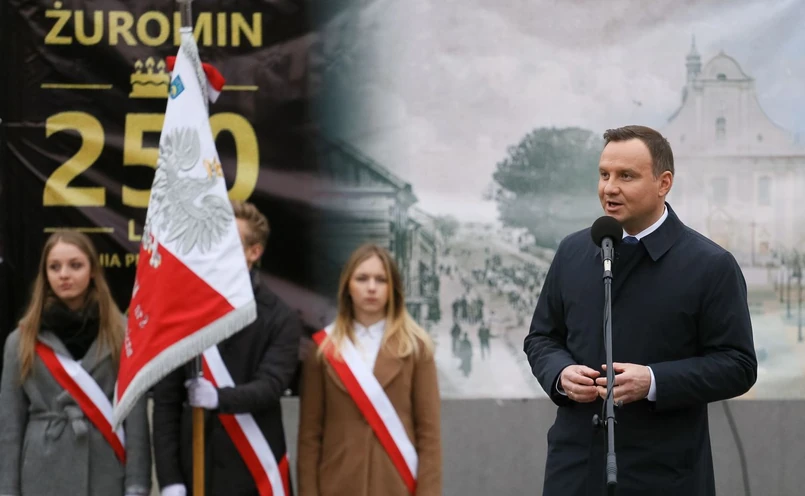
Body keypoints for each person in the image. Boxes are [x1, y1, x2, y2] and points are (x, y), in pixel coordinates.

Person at [523, 125, 757, 496]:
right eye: (604, 175)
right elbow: (541, 338)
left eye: (626, 176)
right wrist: (561, 374)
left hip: (665, 475)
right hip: (575, 470)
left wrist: (653, 381)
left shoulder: (710, 265)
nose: (609, 188)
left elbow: (738, 365)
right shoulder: (572, 251)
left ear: (664, 183)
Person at [153, 201, 303, 496]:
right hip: (197, 471)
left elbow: (271, 386)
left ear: (253, 252)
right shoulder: (184, 312)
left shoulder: (280, 317)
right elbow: (166, 402)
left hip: (255, 473)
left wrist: (218, 398)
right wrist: (170, 479)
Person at [0, 230, 152, 496]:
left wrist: (137, 485)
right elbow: (10, 426)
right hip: (41, 474)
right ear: (45, 274)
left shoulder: (123, 335)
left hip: (105, 472)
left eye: (75, 265)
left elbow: (136, 419)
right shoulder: (21, 340)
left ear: (92, 270)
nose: (64, 274)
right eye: (54, 267)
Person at [297, 243, 442, 496]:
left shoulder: (416, 347)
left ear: (393, 288)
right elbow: (310, 437)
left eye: (381, 280)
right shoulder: (322, 349)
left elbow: (429, 436)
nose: (372, 287)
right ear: (347, 286)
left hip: (396, 486)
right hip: (337, 485)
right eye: (362, 278)